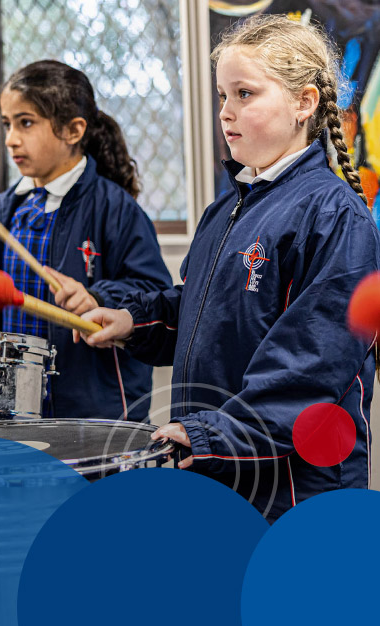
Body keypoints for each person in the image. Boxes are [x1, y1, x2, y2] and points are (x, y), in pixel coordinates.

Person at [79, 14, 380, 522]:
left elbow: (311, 363)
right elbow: (208, 313)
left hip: (295, 488)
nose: (225, 112)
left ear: (304, 103)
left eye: (245, 94)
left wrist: (212, 433)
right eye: (222, 96)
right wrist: (139, 321)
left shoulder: (333, 214)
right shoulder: (227, 209)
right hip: (223, 466)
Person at [0, 60, 172, 421]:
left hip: (92, 413)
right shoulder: (7, 211)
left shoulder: (115, 208)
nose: (11, 138)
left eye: (26, 123)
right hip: (14, 406)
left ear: (73, 130)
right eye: (7, 124)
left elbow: (154, 294)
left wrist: (97, 297)